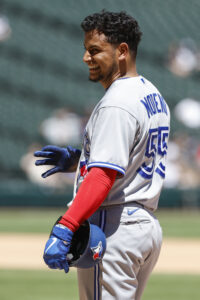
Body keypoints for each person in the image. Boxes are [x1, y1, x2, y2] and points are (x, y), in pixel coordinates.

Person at [34, 10, 170, 300]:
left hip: (115, 227)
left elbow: (104, 175)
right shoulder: (151, 93)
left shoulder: (117, 103)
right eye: (86, 50)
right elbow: (132, 156)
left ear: (122, 51)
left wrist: (65, 226)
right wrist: (79, 160)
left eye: (95, 50)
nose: (86, 57)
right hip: (143, 226)